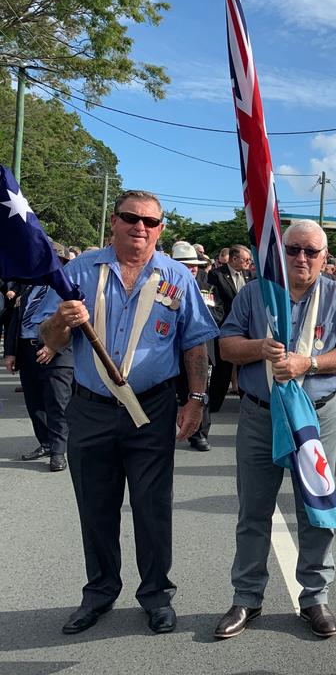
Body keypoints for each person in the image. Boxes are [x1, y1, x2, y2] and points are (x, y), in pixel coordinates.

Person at [37, 190, 218, 635]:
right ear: (113, 222)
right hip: (91, 408)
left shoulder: (178, 277)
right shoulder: (78, 272)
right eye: (131, 218)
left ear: (160, 229)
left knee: (152, 508)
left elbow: (195, 343)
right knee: (95, 507)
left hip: (152, 409)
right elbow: (49, 338)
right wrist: (62, 319)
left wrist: (196, 400)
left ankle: (156, 594)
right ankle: (99, 592)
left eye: (151, 222)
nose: (141, 227)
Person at [212, 219, 336, 639]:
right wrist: (260, 347)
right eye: (293, 249)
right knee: (254, 509)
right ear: (280, 253)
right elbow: (225, 346)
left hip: (316, 415)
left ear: (323, 257)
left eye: (310, 252)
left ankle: (314, 598)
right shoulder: (256, 293)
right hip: (261, 413)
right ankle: (247, 598)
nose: (300, 258)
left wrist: (308, 363)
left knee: (316, 510)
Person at [4, 242, 75, 471]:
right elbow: (15, 319)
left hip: (57, 352)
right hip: (27, 349)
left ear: (62, 263)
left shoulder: (70, 288)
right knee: (35, 403)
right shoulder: (28, 285)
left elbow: (76, 323)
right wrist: (11, 352)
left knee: (57, 403)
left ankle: (58, 451)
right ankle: (44, 442)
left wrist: (53, 346)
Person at [171, 242, 223, 451]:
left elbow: (219, 313)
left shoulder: (208, 287)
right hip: (170, 351)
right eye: (187, 265)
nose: (193, 269)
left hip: (201, 349)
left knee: (200, 392)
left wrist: (198, 320)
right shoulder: (163, 285)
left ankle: (200, 433)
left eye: (195, 265)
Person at [207, 244, 253, 411]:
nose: (249, 262)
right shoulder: (216, 275)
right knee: (222, 368)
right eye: (246, 259)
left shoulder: (250, 275)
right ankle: (213, 405)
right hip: (225, 326)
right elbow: (215, 303)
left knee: (245, 366)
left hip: (246, 328)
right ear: (234, 259)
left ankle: (246, 401)